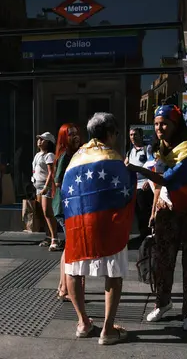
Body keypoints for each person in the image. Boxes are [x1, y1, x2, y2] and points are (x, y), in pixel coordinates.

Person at [128, 105, 187, 332]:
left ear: (176, 125)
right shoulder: (159, 151)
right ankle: (162, 303)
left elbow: (168, 178)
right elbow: (159, 186)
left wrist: (139, 170)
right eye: (156, 124)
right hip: (168, 209)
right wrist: (155, 207)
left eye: (164, 123)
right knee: (163, 261)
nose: (159, 128)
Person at [63, 112, 134, 345]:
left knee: (74, 269)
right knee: (113, 272)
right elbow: (126, 192)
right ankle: (107, 329)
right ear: (111, 134)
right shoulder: (114, 159)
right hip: (107, 224)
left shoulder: (76, 157)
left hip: (78, 223)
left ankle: (83, 322)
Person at [53, 123, 81, 301]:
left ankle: (63, 287)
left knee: (68, 247)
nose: (75, 137)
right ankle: (64, 289)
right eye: (70, 134)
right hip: (65, 206)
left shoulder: (72, 154)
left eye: (76, 133)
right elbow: (57, 181)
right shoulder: (65, 155)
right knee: (70, 247)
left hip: (67, 205)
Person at [32, 132, 62, 252]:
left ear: (49, 142)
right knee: (42, 213)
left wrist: (46, 186)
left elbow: (51, 172)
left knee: (47, 212)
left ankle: (55, 238)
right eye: (39, 139)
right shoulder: (39, 154)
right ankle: (49, 236)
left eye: (43, 139)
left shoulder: (49, 155)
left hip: (46, 187)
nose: (39, 141)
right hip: (38, 185)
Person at [124, 127, 154, 238]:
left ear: (141, 136)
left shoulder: (147, 149)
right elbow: (124, 165)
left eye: (135, 134)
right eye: (131, 135)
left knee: (144, 210)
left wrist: (149, 180)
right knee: (137, 211)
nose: (133, 137)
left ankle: (148, 233)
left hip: (144, 185)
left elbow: (153, 166)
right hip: (134, 186)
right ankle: (142, 234)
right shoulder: (130, 151)